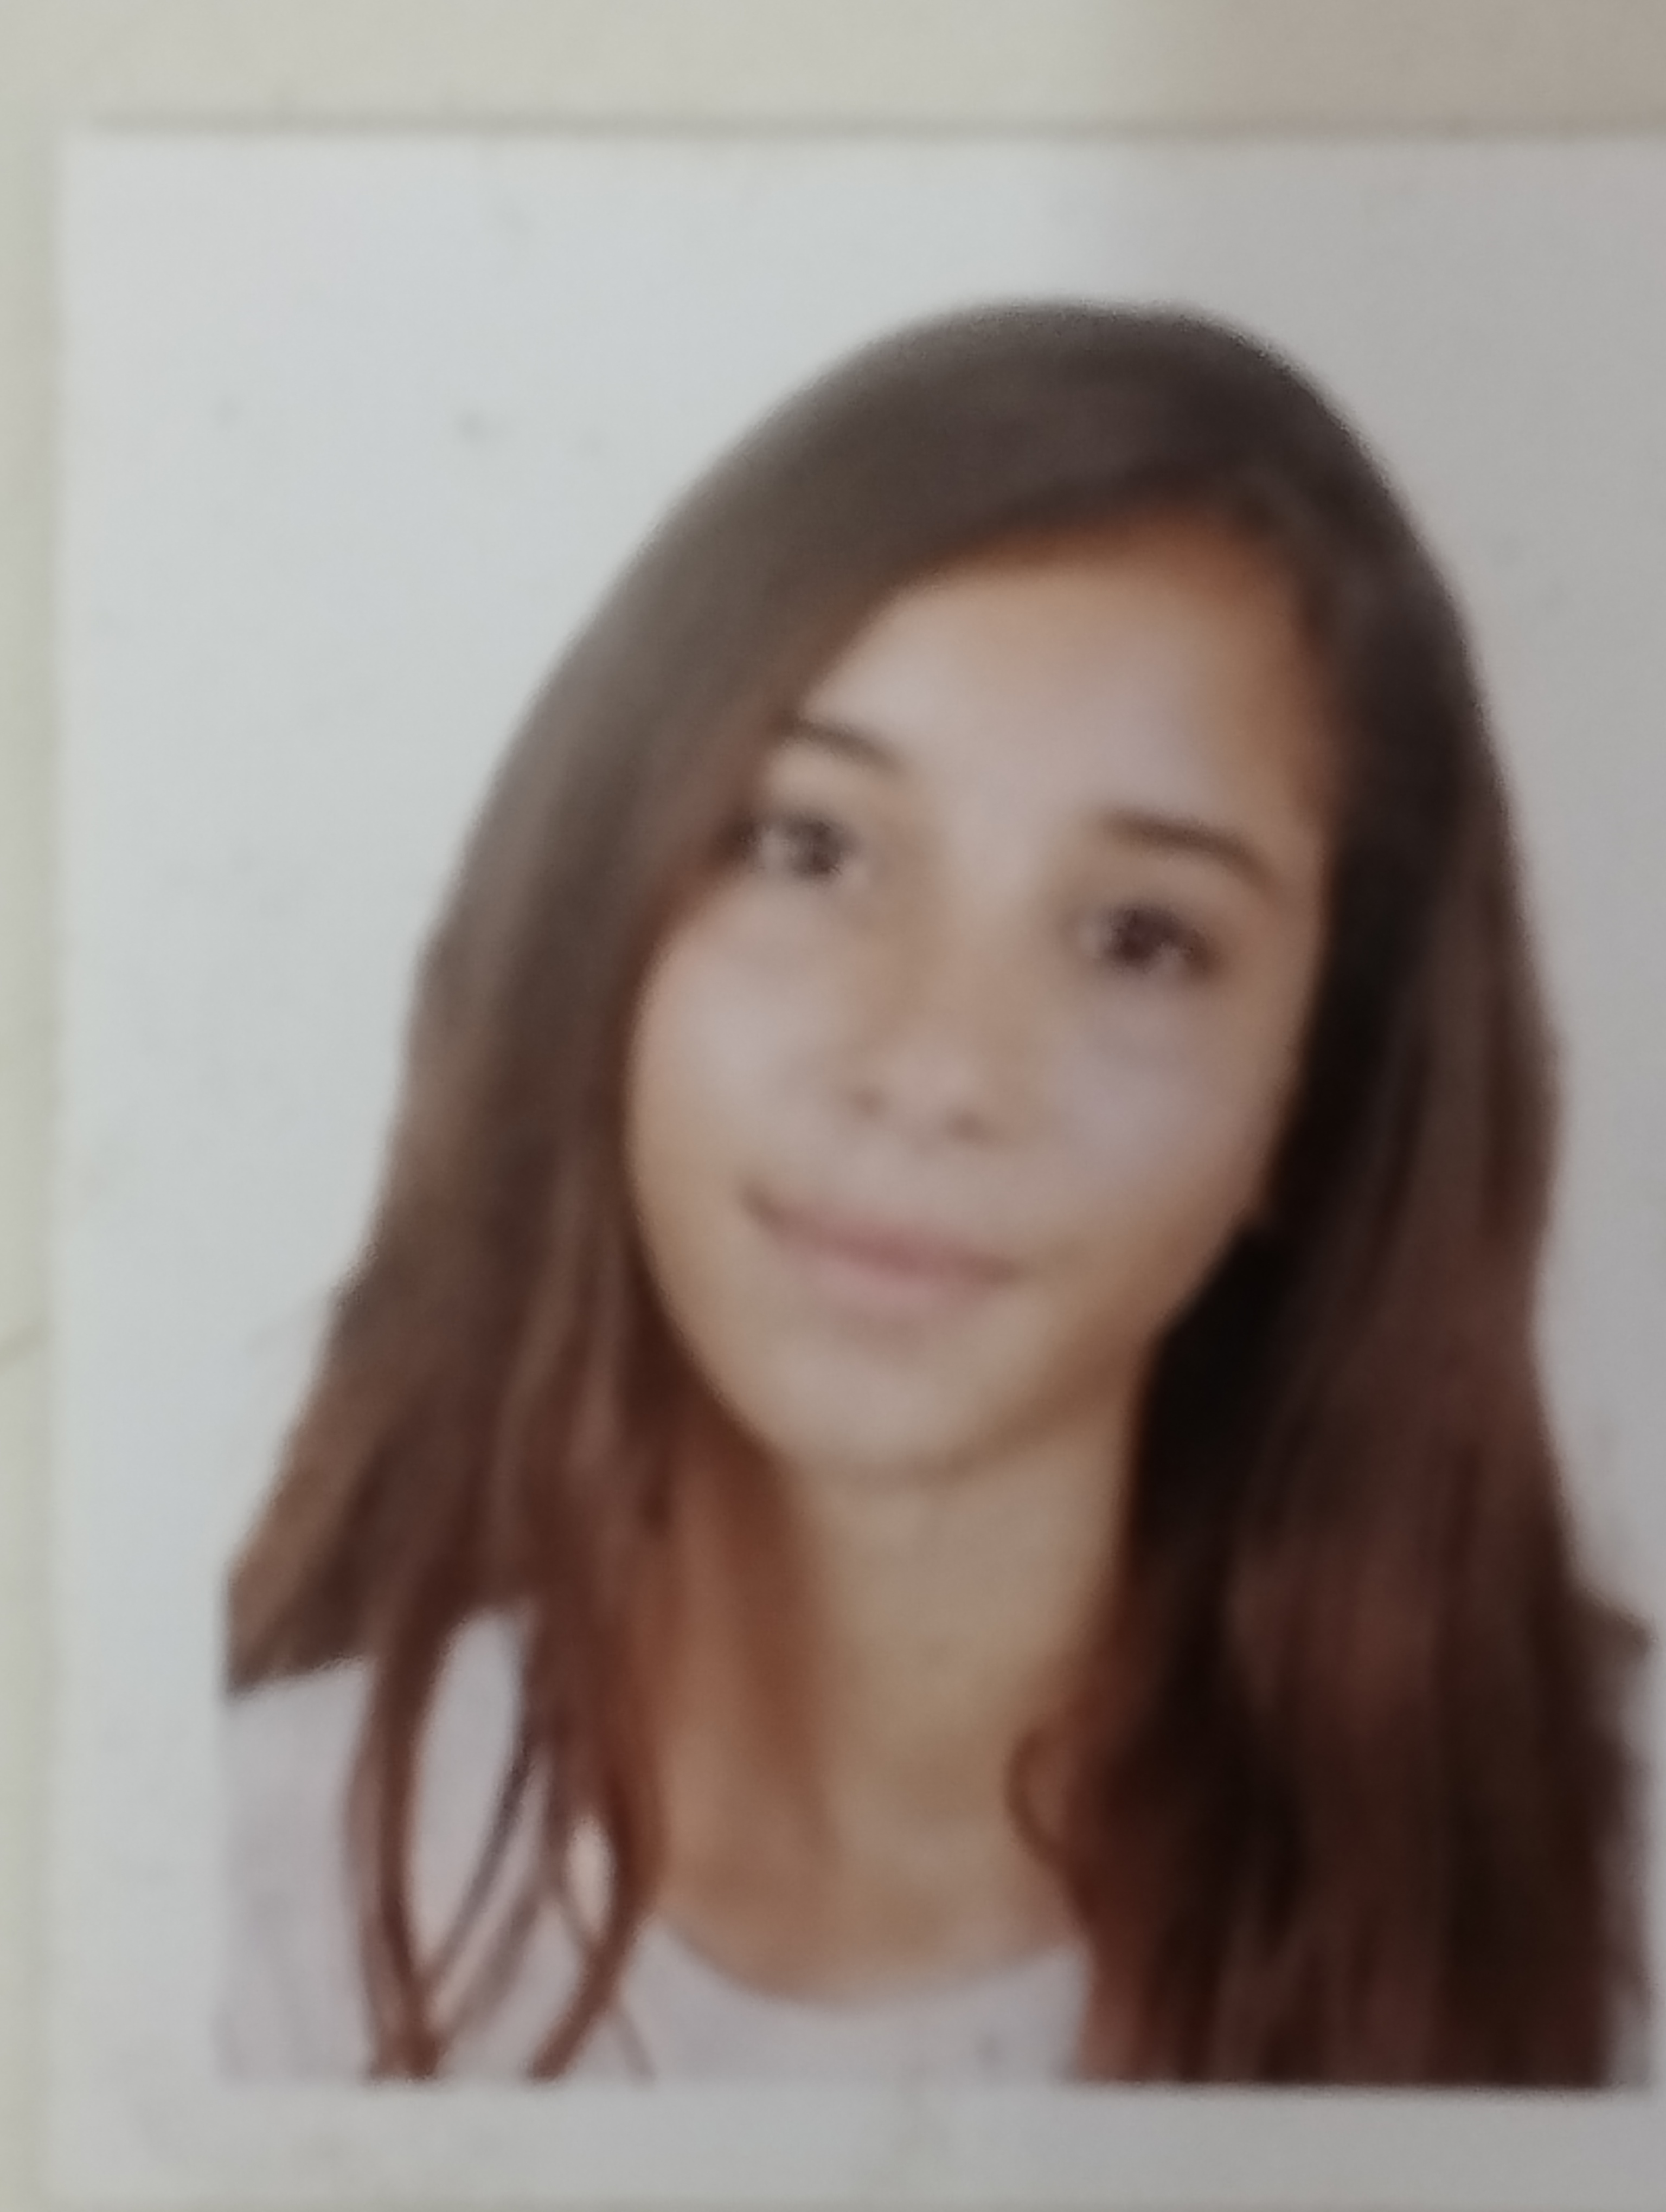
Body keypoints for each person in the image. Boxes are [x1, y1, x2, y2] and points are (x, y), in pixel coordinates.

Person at [222, 301, 1648, 2086]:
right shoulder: (227, 1915)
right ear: (604, 918)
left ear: (1317, 1100)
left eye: (1141, 940)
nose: (935, 1070)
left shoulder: (1613, 1896)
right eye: (809, 846)